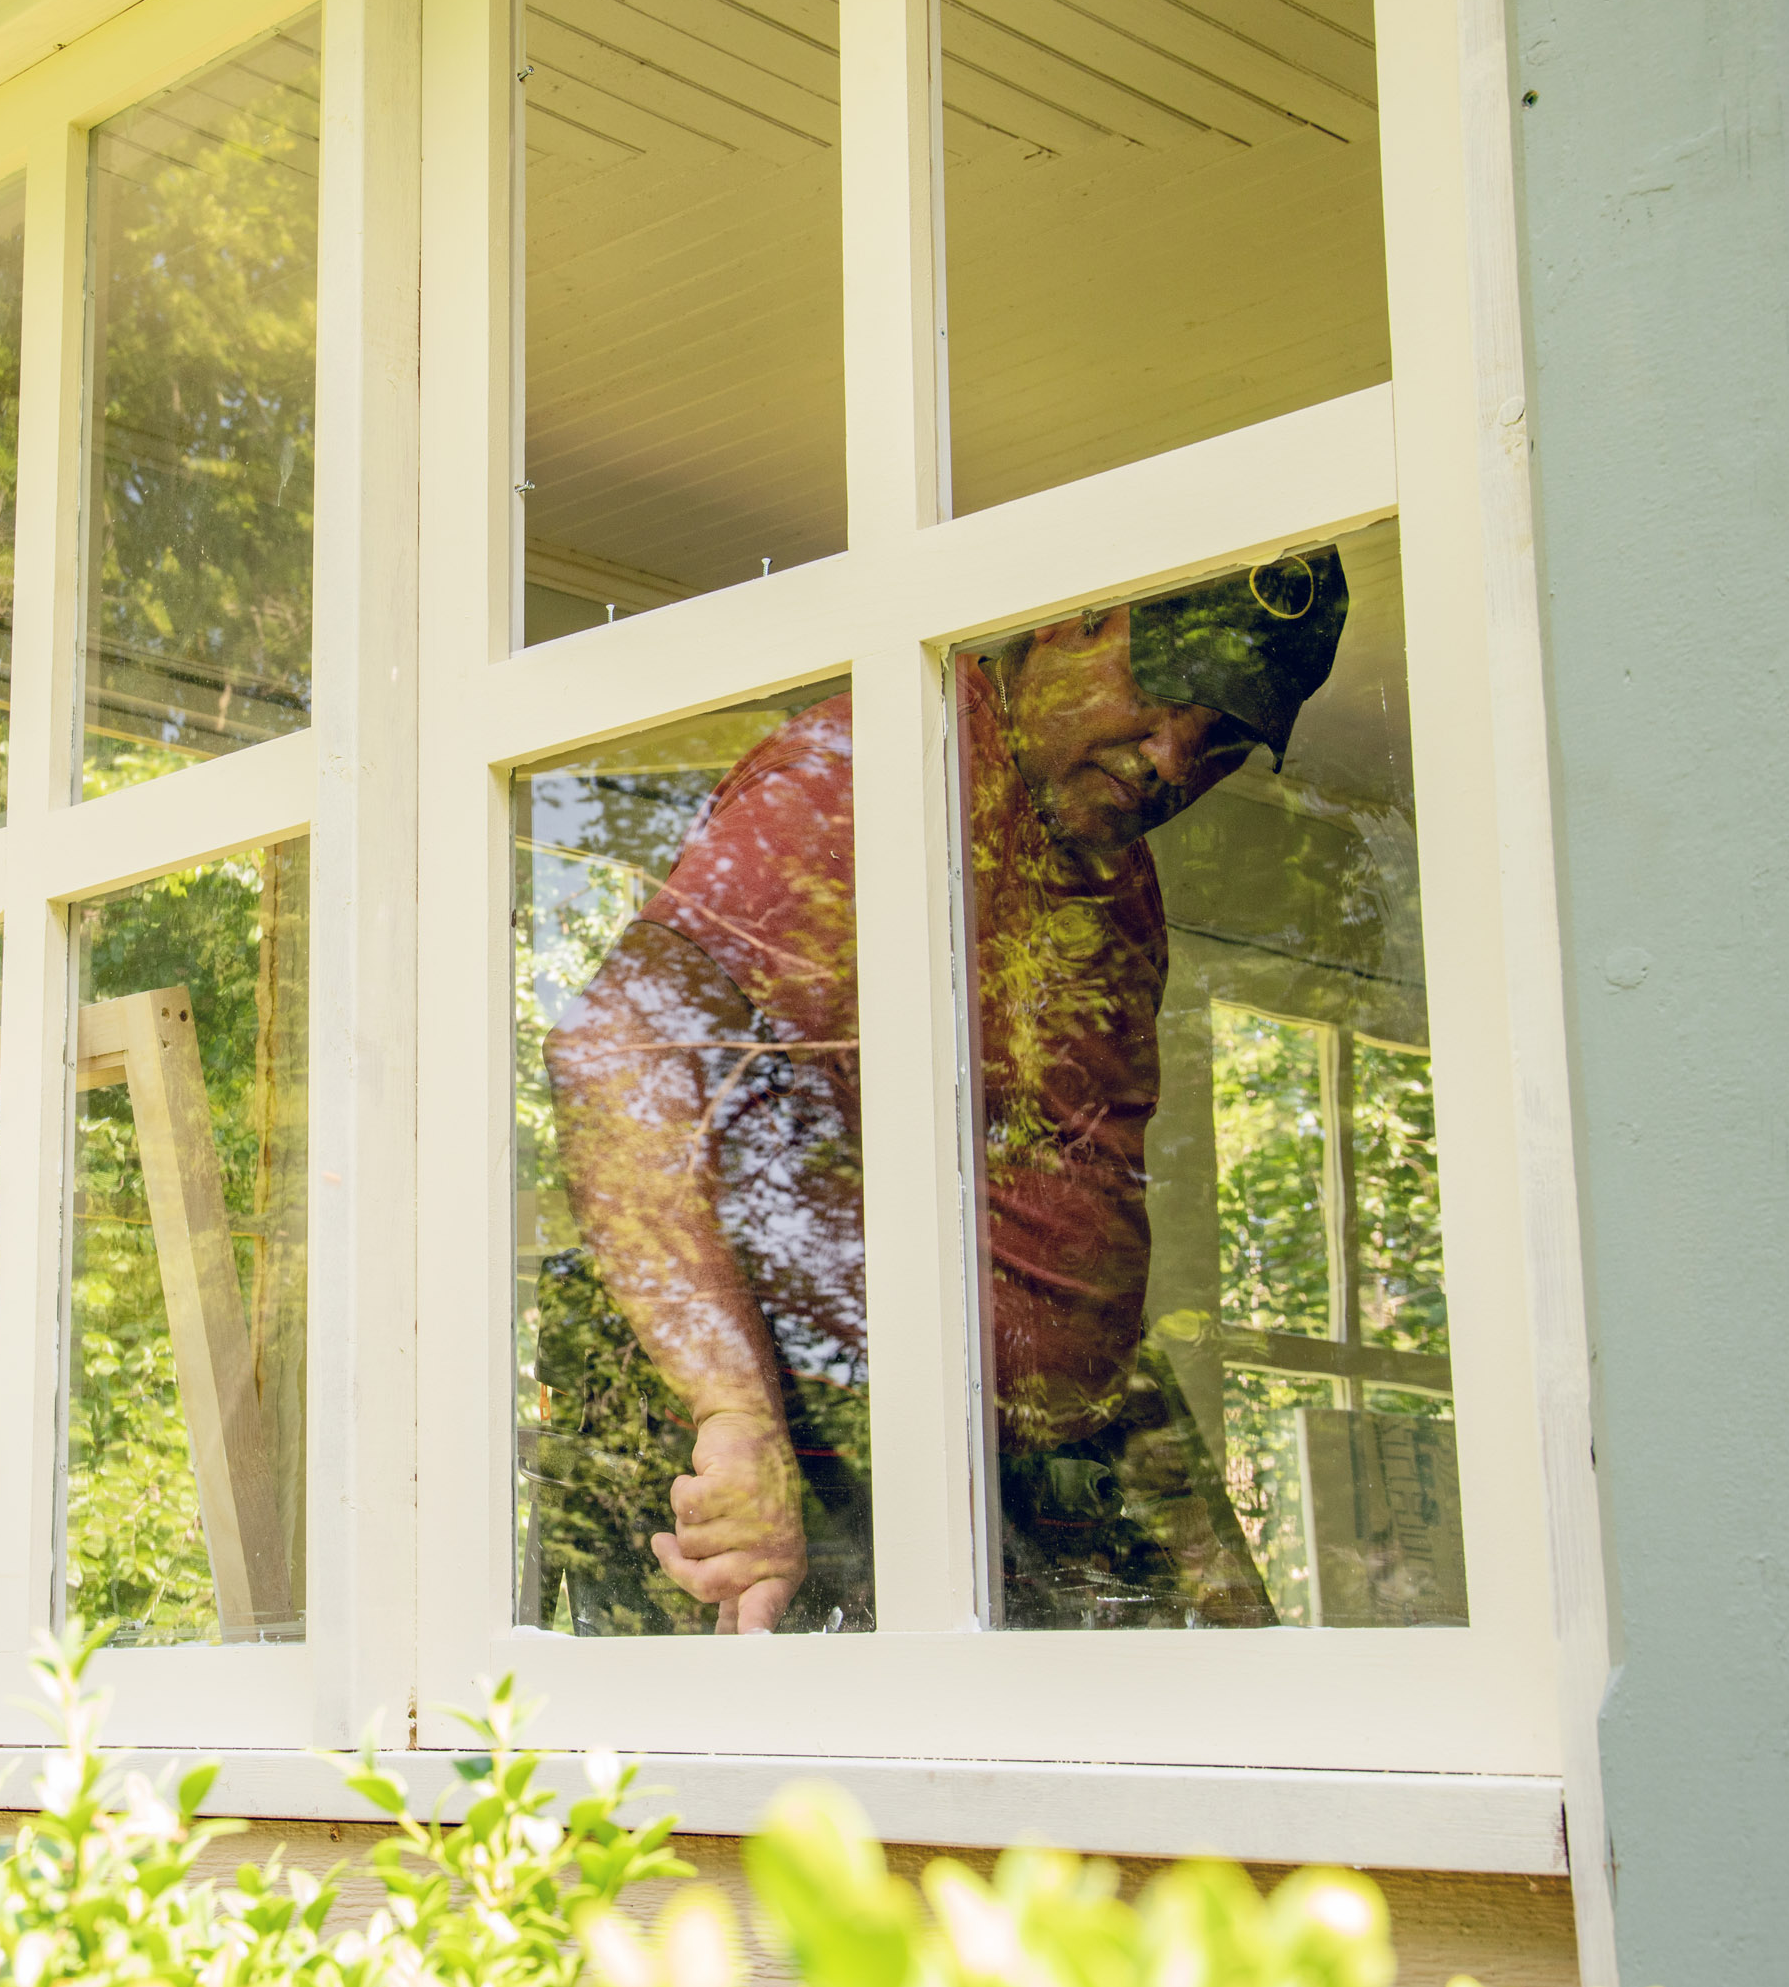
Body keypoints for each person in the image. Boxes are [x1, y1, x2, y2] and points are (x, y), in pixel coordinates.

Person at [543, 549, 1349, 1633]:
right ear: (1072, 620)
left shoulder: (1113, 876)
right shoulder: (870, 777)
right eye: (1162, 699)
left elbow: (1068, 1232)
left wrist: (1202, 1557)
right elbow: (622, 1056)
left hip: (1041, 1465)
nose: (1172, 759)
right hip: (834, 1452)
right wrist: (734, 1417)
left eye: (1221, 742)